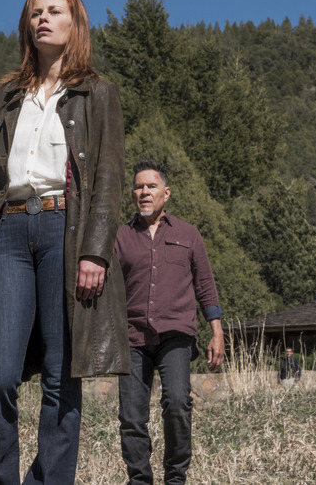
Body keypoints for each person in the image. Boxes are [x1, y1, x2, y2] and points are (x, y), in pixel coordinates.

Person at [0, 0, 130, 484]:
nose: (42, 19)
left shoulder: (98, 92)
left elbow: (108, 181)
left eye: (53, 11)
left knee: (60, 377)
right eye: (34, 13)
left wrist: (96, 251)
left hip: (66, 233)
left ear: (75, 24)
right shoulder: (7, 95)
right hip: (6, 234)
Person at [115, 158, 225, 485]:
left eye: (151, 186)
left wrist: (216, 332)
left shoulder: (189, 235)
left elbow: (205, 285)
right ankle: (140, 481)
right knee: (132, 419)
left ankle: (175, 479)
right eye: (138, 186)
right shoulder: (120, 237)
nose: (144, 192)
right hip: (132, 338)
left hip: (176, 336)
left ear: (166, 192)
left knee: (177, 403)